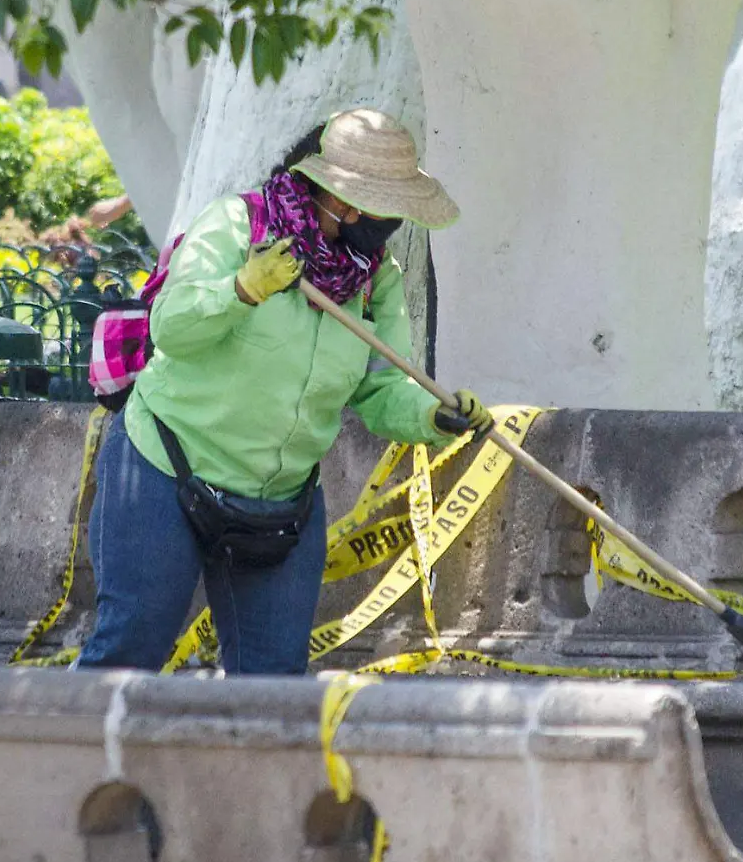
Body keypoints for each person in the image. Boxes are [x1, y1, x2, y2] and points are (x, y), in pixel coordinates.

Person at [75, 108, 490, 674]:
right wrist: (242, 289)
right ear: (341, 200)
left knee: (274, 685)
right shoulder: (234, 226)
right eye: (384, 206)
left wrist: (434, 418)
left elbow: (382, 389)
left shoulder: (375, 278)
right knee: (130, 648)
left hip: (281, 500)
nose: (391, 222)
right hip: (166, 468)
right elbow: (171, 329)